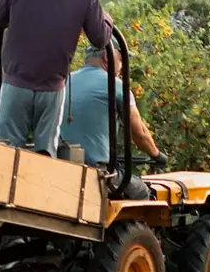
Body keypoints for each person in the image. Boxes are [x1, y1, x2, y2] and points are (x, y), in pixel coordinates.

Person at [0, 0, 110, 155]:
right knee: (46, 155)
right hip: (52, 88)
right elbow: (101, 38)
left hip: (15, 82)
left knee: (6, 152)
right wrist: (107, 20)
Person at [64, 44, 165, 200]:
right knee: (143, 192)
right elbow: (139, 134)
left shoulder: (64, 81)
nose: (122, 66)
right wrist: (157, 155)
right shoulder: (116, 86)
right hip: (97, 172)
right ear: (107, 56)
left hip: (62, 166)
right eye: (121, 59)